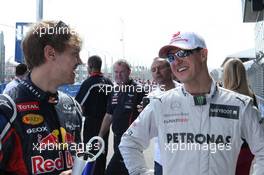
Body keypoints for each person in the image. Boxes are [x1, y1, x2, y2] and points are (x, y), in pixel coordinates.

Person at [119, 31, 264, 175]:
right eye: (171, 57)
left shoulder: (239, 105)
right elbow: (129, 142)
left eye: (182, 53)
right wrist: (139, 172)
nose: (176, 61)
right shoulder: (161, 104)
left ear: (203, 54)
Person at [0, 20, 83, 175]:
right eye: (74, 53)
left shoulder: (72, 106)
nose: (80, 61)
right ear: (50, 53)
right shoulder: (7, 110)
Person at [98, 59, 145, 175]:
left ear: (129, 72)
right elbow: (109, 115)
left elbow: (146, 116)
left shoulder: (138, 90)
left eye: (122, 72)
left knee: (112, 171)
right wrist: (100, 135)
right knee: (126, 171)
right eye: (116, 72)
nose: (118, 75)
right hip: (117, 138)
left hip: (131, 140)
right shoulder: (114, 90)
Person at [75, 55, 113, 175]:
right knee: (102, 152)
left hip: (92, 124)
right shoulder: (109, 83)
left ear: (90, 66)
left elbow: (78, 105)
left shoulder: (89, 82)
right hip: (106, 125)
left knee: (90, 154)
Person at [223, 58, 258, 175]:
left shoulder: (224, 99)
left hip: (231, 149)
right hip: (248, 149)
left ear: (226, 75)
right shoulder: (251, 96)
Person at [148, 57, 180, 175]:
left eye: (160, 68)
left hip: (185, 156)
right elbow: (149, 132)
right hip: (161, 159)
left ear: (171, 69)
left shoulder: (186, 92)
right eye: (153, 69)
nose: (157, 72)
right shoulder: (151, 97)